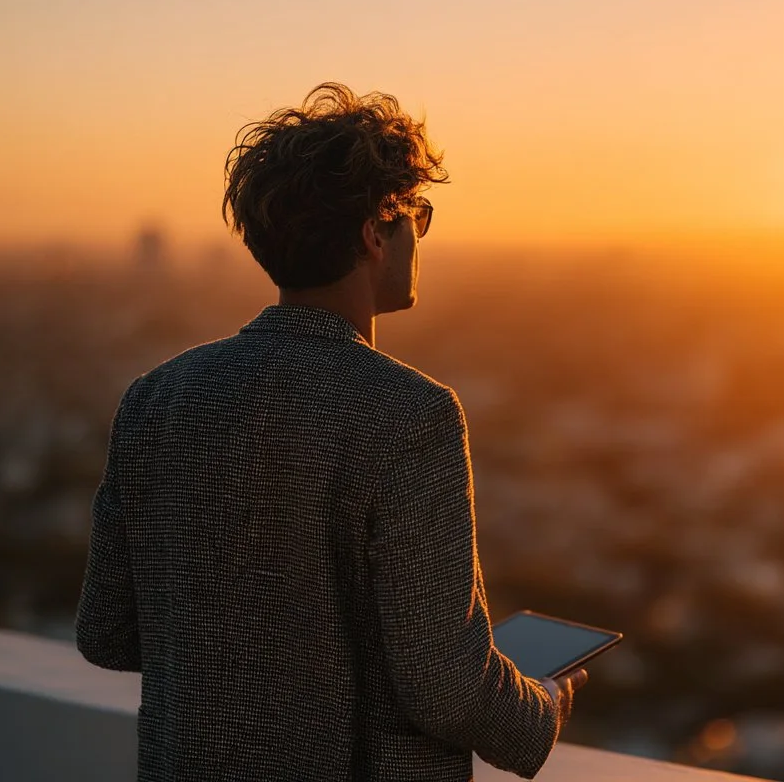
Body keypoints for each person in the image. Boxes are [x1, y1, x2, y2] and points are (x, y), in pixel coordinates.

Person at [74, 82, 587, 781]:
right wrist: (542, 704)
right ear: (377, 229)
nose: (419, 236)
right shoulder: (411, 416)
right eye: (417, 216)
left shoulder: (158, 399)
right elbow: (445, 685)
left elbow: (108, 630)